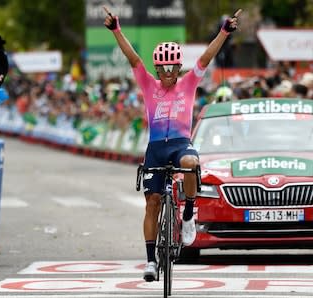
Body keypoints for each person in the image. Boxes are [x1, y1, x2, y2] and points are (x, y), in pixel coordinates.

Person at [103, 6, 242, 282]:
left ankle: (188, 214)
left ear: (179, 67)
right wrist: (116, 29)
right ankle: (150, 261)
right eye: (163, 67)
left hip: (180, 145)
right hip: (156, 148)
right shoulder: (148, 84)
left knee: (191, 163)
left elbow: (206, 56)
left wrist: (224, 31)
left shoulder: (189, 83)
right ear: (157, 68)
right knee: (152, 203)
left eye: (172, 66)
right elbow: (132, 59)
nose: (167, 72)